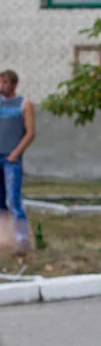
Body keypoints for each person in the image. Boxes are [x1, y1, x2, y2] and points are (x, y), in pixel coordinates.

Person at [0, 69, 36, 256]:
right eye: (0, 82)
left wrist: (15, 154)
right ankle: (4, 239)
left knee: (13, 199)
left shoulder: (24, 104)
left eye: (5, 82)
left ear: (14, 84)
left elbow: (30, 133)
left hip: (11, 160)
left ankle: (22, 241)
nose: (1, 86)